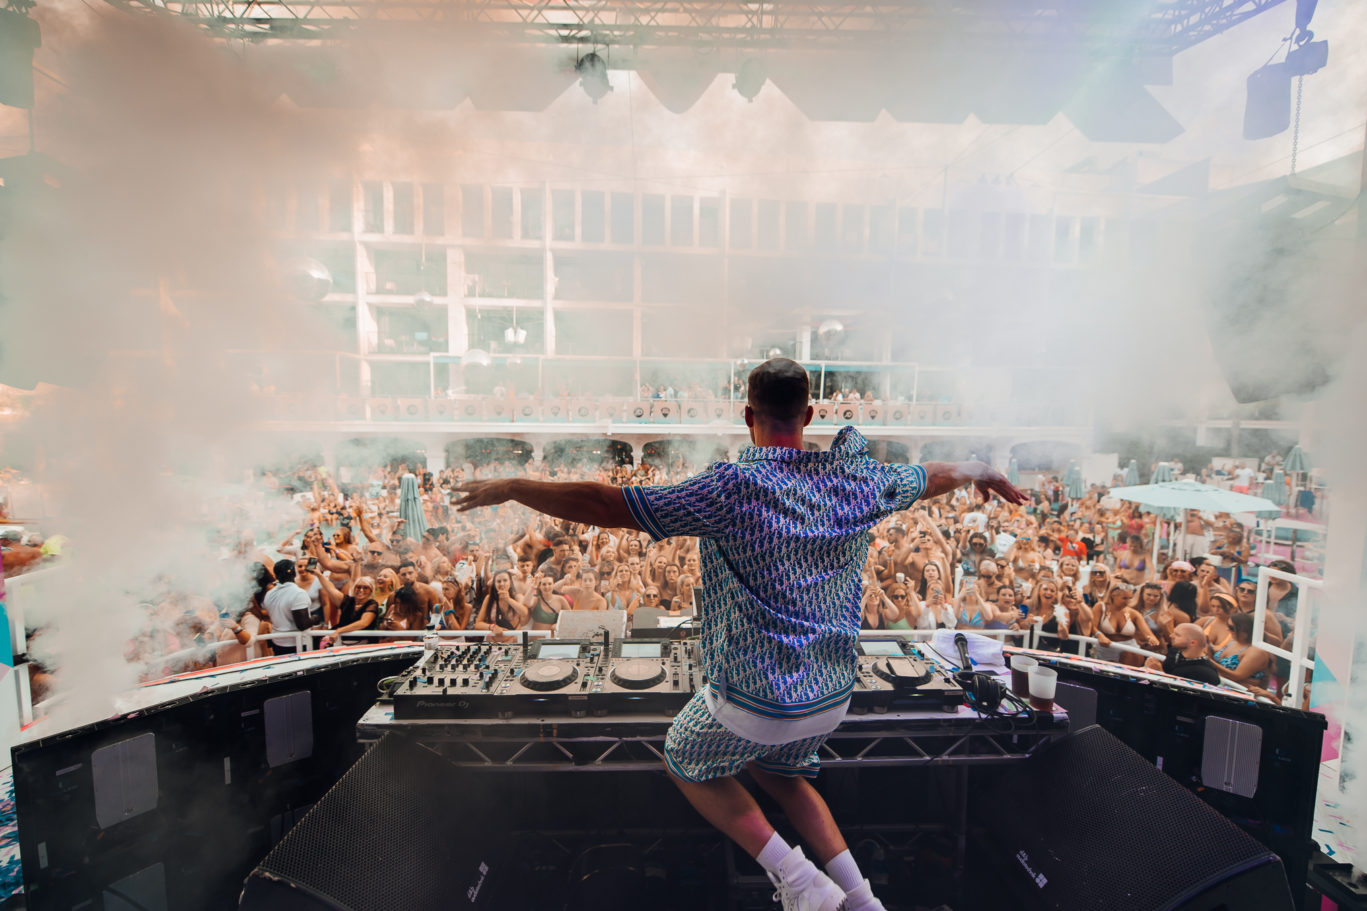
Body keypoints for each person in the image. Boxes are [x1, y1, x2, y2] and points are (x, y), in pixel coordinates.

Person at [455, 356, 1027, 911]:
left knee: (684, 757)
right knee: (780, 773)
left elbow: (608, 502)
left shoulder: (730, 487)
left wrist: (514, 485)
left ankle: (798, 878)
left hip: (756, 698)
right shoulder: (861, 480)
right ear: (808, 417)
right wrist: (981, 470)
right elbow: (930, 476)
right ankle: (861, 899)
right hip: (830, 696)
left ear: (748, 415)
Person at [262, 559, 314, 655]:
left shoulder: (269, 594)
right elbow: (302, 625)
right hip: (296, 645)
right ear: (294, 573)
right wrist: (315, 619)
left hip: (277, 642)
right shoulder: (298, 594)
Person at [1144, 623, 1222, 686]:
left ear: (1193, 643)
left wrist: (1159, 673)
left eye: (1177, 635)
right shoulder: (1174, 651)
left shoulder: (1205, 673)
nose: (1171, 636)